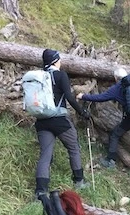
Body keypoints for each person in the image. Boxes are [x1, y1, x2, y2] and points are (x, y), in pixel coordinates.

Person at [34, 49, 91, 199]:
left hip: (41, 120)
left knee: (45, 155)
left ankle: (40, 192)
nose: (60, 62)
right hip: (59, 119)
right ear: (55, 61)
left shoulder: (38, 77)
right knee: (73, 147)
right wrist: (82, 112)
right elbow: (70, 98)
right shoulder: (61, 75)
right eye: (58, 59)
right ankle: (79, 181)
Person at [76, 68, 130, 169]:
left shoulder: (118, 88)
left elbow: (101, 97)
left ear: (116, 78)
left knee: (115, 134)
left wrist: (83, 96)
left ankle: (110, 160)